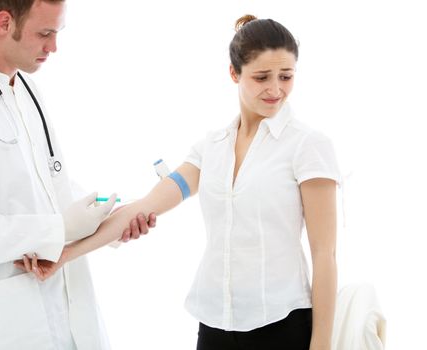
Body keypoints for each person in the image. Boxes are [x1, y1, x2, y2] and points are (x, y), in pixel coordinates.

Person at [19, 14, 341, 350]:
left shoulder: (308, 146)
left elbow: (325, 254)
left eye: (286, 76)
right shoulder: (211, 149)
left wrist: (321, 344)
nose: (276, 89)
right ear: (234, 73)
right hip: (215, 323)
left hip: (282, 324)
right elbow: (144, 206)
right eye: (262, 77)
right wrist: (63, 255)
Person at [0, 1, 156, 349]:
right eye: (45, 33)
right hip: (9, 326)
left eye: (57, 33)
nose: (54, 47)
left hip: (69, 310)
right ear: (4, 22)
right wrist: (59, 230)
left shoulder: (24, 89)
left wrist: (106, 220)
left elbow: (48, 182)